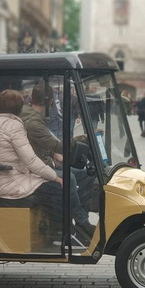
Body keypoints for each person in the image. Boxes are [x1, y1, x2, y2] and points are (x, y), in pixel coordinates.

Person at [19, 83, 95, 236]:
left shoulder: (31, 115)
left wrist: (53, 154)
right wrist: (83, 138)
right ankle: (80, 223)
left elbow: (39, 143)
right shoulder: (34, 121)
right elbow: (58, 145)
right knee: (70, 178)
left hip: (43, 162)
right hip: (34, 171)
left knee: (86, 174)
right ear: (51, 102)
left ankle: (81, 220)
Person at [0, 90, 65, 223]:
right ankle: (58, 231)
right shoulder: (14, 126)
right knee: (58, 188)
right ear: (20, 107)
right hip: (12, 183)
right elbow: (30, 160)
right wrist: (55, 177)